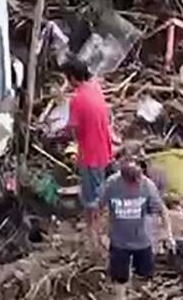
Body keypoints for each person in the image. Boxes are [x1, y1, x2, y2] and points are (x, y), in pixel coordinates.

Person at [98, 145, 175, 300]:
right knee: (120, 280)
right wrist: (100, 234)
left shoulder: (147, 186)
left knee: (144, 277)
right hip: (119, 242)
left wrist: (169, 234)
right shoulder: (112, 185)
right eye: (131, 181)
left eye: (137, 180)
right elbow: (99, 208)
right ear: (123, 176)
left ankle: (135, 292)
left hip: (143, 241)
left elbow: (162, 210)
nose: (135, 184)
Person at [63, 56, 113, 248]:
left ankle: (93, 236)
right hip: (104, 148)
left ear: (73, 78)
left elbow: (72, 128)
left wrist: (59, 131)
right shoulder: (95, 87)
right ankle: (93, 228)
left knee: (91, 196)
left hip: (90, 153)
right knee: (97, 189)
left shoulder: (77, 99)